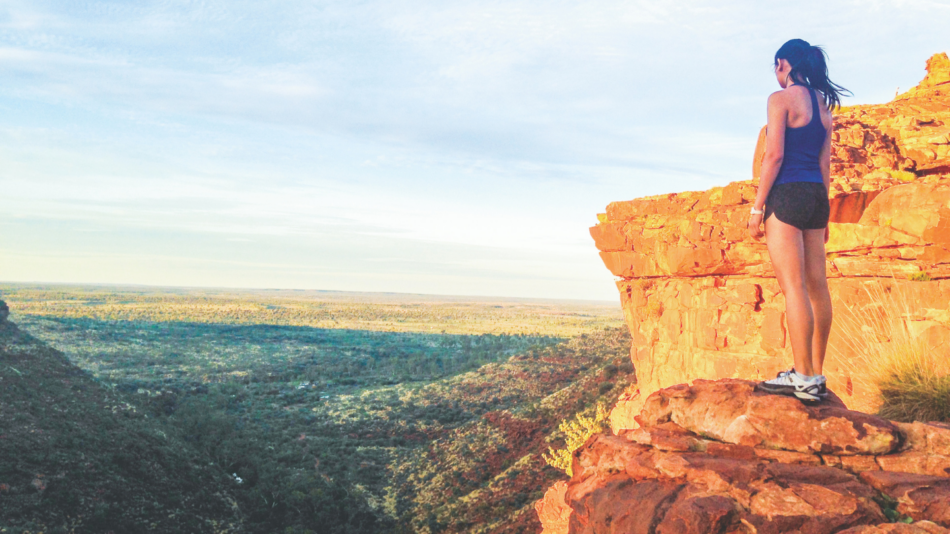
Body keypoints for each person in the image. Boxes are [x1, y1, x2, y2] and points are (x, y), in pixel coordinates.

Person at [748, 39, 850, 403]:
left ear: (783, 63)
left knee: (794, 288)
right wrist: (823, 213)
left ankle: (802, 376)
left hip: (786, 197)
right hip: (815, 200)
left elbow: (774, 155)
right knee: (817, 287)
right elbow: (825, 165)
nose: (775, 74)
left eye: (775, 67)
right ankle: (815, 374)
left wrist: (757, 208)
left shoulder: (780, 101)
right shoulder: (824, 107)